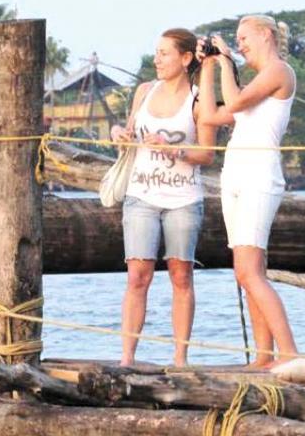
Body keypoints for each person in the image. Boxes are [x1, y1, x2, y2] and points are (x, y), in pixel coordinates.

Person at [196, 15, 298, 368]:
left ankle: (289, 353)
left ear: (265, 34)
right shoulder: (254, 84)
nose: (239, 44)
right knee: (248, 273)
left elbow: (236, 102)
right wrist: (208, 65)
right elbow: (208, 115)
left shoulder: (279, 71)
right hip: (235, 177)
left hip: (259, 176)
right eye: (235, 40)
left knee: (249, 272)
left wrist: (225, 61)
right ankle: (263, 356)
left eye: (243, 37)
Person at [112, 28, 216, 367]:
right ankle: (127, 358)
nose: (157, 60)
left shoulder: (199, 98)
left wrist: (173, 149)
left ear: (185, 58)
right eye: (156, 53)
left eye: (165, 53)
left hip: (183, 198)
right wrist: (119, 134)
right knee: (137, 276)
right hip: (141, 193)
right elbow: (129, 132)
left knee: (181, 276)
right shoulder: (144, 91)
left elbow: (207, 154)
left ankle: (180, 358)